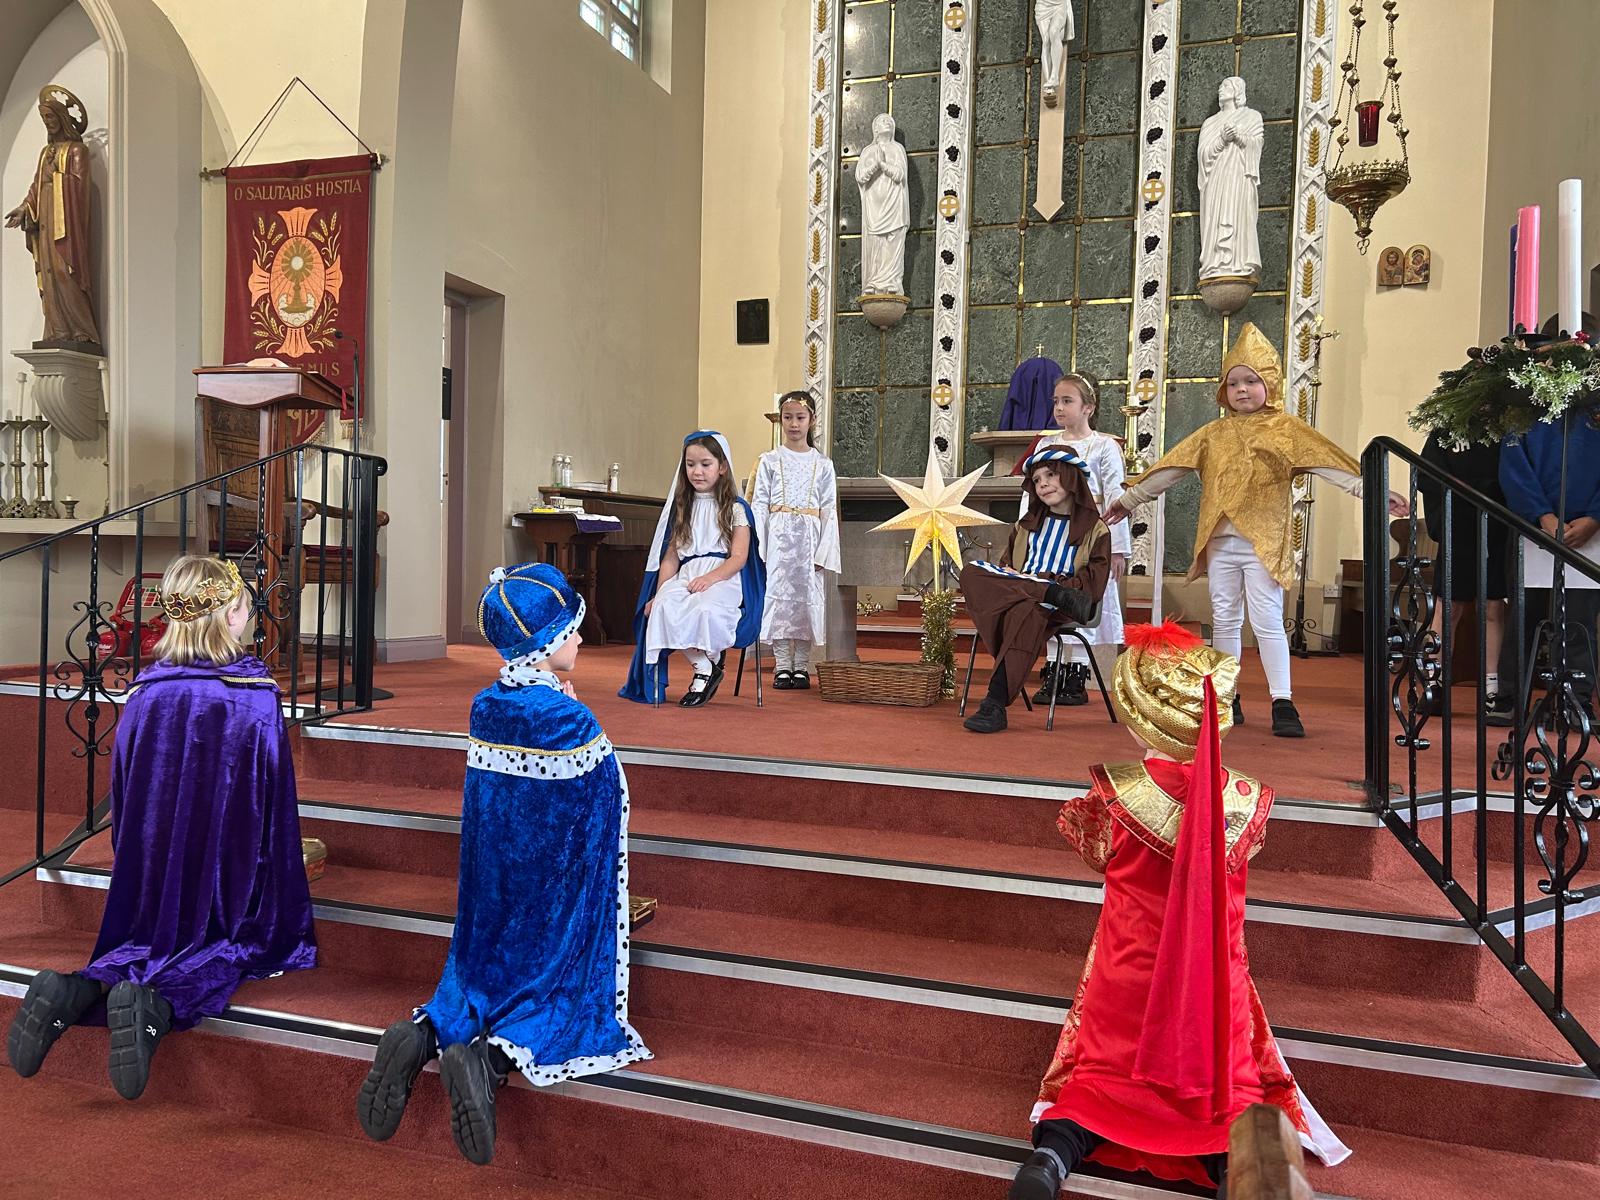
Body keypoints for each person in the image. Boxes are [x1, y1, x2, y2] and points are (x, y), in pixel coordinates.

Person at [1011, 622, 1349, 1200]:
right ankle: (1235, 1171)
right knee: (1228, 1094)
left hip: (1127, 971)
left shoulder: (1111, 795)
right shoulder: (1249, 801)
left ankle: (1053, 1156)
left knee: (1101, 1081)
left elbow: (1092, 848)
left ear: (1142, 716)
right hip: (1210, 980)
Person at [357, 563, 650, 1165]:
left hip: (491, 894)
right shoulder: (569, 719)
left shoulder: (486, 705)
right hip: (549, 897)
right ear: (543, 645)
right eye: (569, 630)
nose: (578, 638)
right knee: (553, 994)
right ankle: (489, 1061)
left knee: (475, 984)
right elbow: (607, 798)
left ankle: (422, 1035)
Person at [5, 555, 315, 1099]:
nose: (250, 617)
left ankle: (78, 990)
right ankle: (156, 1004)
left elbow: (125, 792)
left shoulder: (146, 692)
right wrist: (280, 892)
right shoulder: (252, 694)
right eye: (246, 608)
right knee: (229, 947)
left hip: (153, 870)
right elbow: (270, 802)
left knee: (143, 945)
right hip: (224, 868)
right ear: (229, 616)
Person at [1106, 323, 1408, 738]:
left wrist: (1374, 492)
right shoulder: (1214, 433)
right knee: (1225, 619)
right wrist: (1129, 500)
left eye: (1251, 381)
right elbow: (1172, 468)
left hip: (1262, 542)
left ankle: (1282, 700)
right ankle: (1226, 695)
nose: (1242, 390)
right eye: (1233, 383)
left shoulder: (1287, 430)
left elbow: (1330, 466)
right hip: (1220, 542)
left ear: (1270, 383)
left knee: (1266, 619)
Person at [960, 447, 1111, 734]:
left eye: (1051, 475)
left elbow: (1091, 587)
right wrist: (1032, 584)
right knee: (971, 571)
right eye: (1038, 479)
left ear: (1071, 476)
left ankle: (994, 703)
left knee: (1026, 610)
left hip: (1064, 602)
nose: (1043, 484)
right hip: (1031, 595)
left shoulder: (1096, 530)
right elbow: (1005, 571)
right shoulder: (1025, 526)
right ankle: (1046, 592)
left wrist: (1041, 583)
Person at [620, 431, 765, 707]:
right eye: (690, 464)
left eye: (705, 464)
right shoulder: (682, 507)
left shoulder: (735, 508)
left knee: (704, 609)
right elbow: (671, 558)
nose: (697, 472)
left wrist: (710, 579)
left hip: (723, 577)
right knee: (663, 607)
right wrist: (658, 594)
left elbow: (739, 557)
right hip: (687, 575)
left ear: (722, 467)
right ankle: (704, 665)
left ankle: (709, 662)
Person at [1019, 372, 1128, 706]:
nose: (1059, 407)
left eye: (1067, 401)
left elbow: (1116, 497)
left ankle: (1077, 673)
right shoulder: (1045, 445)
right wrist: (1025, 535)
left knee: (1082, 594)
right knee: (1050, 594)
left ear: (1088, 407)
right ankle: (1053, 668)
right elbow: (1031, 494)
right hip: (1050, 536)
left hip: (1088, 535)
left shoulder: (1104, 446)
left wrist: (1117, 549)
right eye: (1056, 401)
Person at [1499, 411, 1600, 713]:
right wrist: (1542, 516)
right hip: (1532, 529)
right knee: (1523, 619)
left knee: (1579, 622)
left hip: (1590, 532)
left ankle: (1575, 702)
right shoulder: (1523, 406)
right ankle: (1511, 698)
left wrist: (1595, 518)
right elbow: (1514, 466)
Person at [1418, 430, 1511, 724]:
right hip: (1456, 527)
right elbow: (1427, 475)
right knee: (1448, 606)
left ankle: (1492, 689)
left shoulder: (1506, 428)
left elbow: (1513, 474)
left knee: (1493, 606)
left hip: (1497, 527)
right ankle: (1434, 682)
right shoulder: (1445, 431)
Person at [751, 391, 841, 689]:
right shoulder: (769, 460)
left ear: (811, 421)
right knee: (779, 600)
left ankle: (801, 665)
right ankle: (781, 665)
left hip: (809, 540)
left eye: (800, 417)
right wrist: (759, 545)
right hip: (778, 539)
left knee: (805, 601)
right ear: (780, 420)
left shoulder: (823, 464)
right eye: (787, 417)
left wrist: (824, 551)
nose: (793, 424)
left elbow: (828, 509)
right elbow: (759, 503)